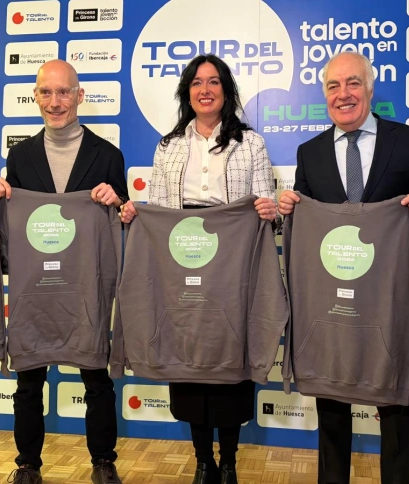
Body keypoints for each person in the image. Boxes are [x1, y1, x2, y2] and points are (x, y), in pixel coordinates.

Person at [119, 54, 277, 484]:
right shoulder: (168, 146)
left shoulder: (251, 143)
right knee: (187, 349)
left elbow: (265, 206)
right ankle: (203, 460)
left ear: (226, 90)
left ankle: (229, 461)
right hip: (181, 255)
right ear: (186, 92)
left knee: (229, 354)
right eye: (196, 83)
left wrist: (270, 210)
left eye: (213, 82)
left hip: (232, 260)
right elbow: (160, 208)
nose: (204, 90)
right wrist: (139, 214)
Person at [277, 51, 409, 484]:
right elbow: (305, 216)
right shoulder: (309, 152)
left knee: (394, 397)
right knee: (331, 395)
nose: (343, 94)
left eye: (352, 83)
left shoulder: (407, 141)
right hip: (333, 294)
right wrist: (289, 204)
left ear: (369, 88)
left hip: (388, 295)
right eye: (333, 86)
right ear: (324, 94)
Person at [0, 59, 127, 484]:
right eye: (46, 92)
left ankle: (103, 462)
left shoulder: (108, 155)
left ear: (79, 96)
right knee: (29, 380)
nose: (55, 101)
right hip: (36, 287)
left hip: (85, 287)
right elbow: (11, 221)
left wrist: (116, 200)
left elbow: (121, 220)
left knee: (96, 377)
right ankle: (27, 465)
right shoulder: (20, 155)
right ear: (35, 97)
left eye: (64, 92)